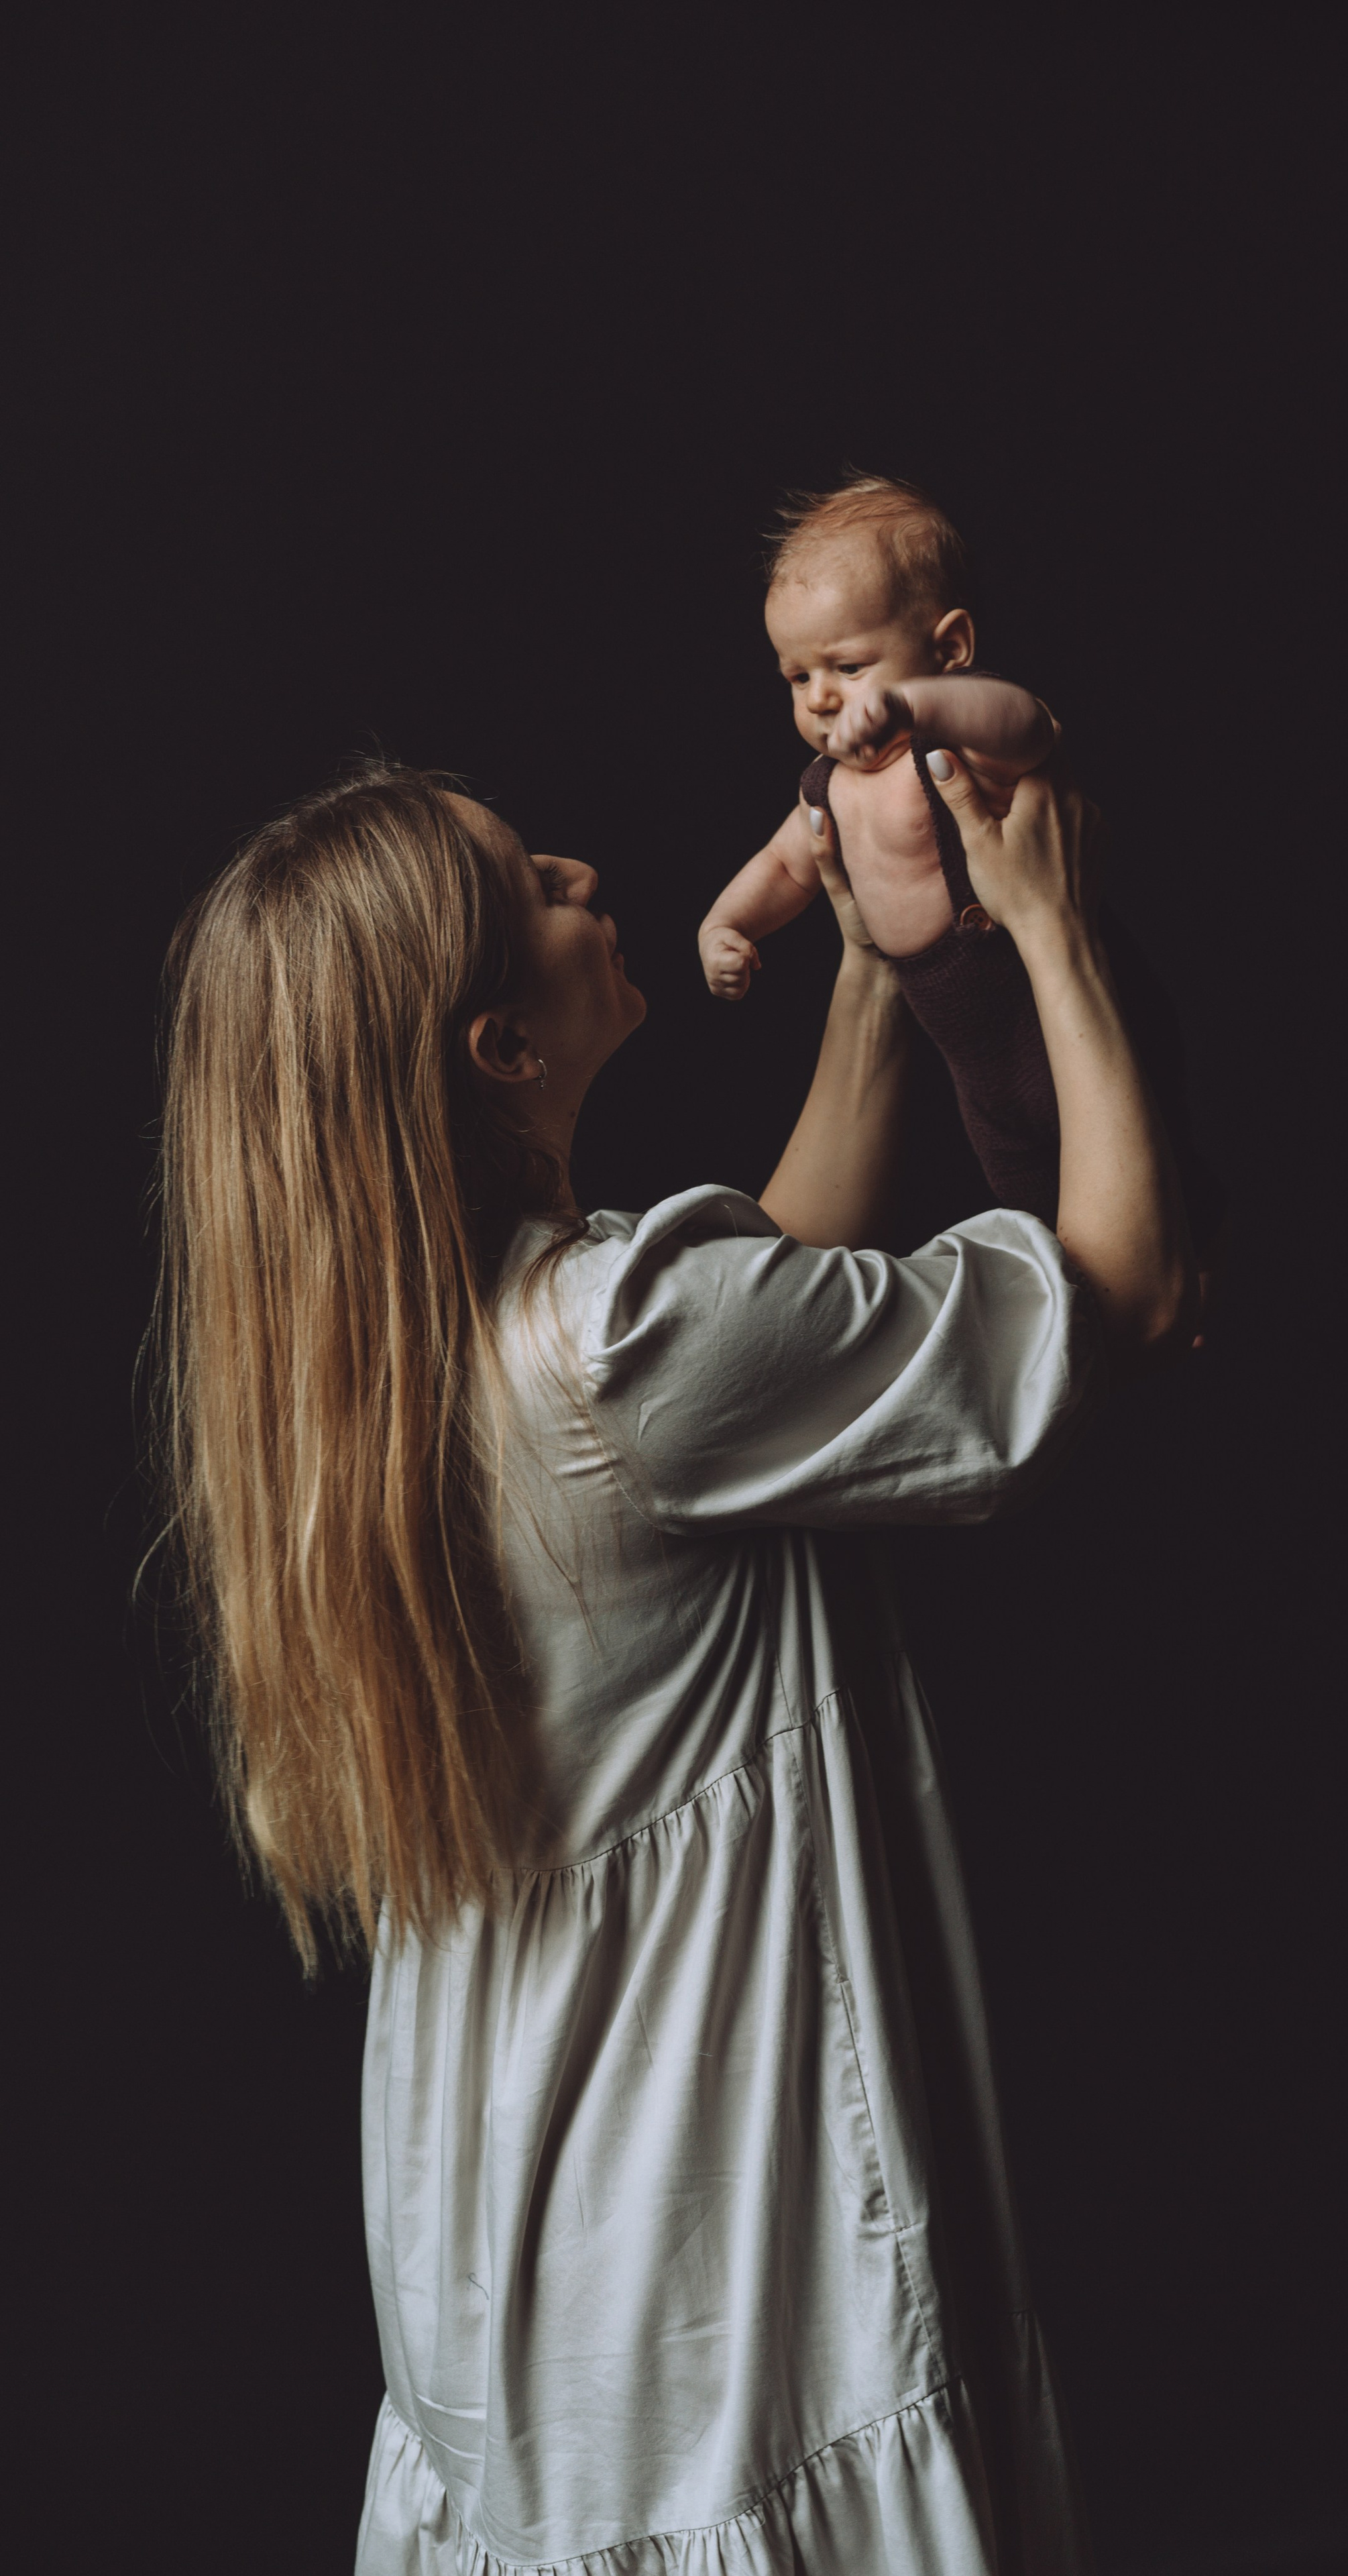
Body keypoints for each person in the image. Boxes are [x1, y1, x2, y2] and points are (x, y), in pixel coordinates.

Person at [155, 744, 1196, 2574]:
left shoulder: (396, 1372)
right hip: (705, 2214)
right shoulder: (629, 1348)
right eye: (528, 882)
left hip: (501, 2231)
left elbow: (776, 1291)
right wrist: (1045, 924)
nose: (576, 869)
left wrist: (879, 949)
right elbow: (1118, 1289)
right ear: (497, 1051)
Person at [697, 474, 1227, 1265]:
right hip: (974, 1067)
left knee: (1147, 1158)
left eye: (846, 665)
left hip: (1059, 1013)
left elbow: (1033, 728)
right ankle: (1097, 1317)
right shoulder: (830, 786)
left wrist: (921, 707)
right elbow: (784, 863)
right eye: (798, 677)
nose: (821, 700)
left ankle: (1188, 1267)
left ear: (948, 648)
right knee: (1032, 1214)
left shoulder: (952, 740)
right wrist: (726, 923)